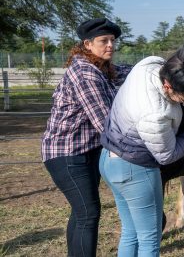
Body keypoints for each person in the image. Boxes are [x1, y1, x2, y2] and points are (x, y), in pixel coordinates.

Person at [99, 50, 184, 256]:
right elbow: (166, 155)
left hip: (109, 160)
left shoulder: (148, 65)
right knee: (150, 239)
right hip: (134, 170)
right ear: (167, 86)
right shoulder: (156, 113)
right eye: (183, 100)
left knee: (130, 233)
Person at [41, 17, 128, 257]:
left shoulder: (103, 68)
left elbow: (129, 72)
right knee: (88, 214)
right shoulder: (85, 73)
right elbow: (106, 124)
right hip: (67, 154)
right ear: (87, 44)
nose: (110, 45)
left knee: (82, 213)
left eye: (112, 40)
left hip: (87, 152)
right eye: (104, 40)